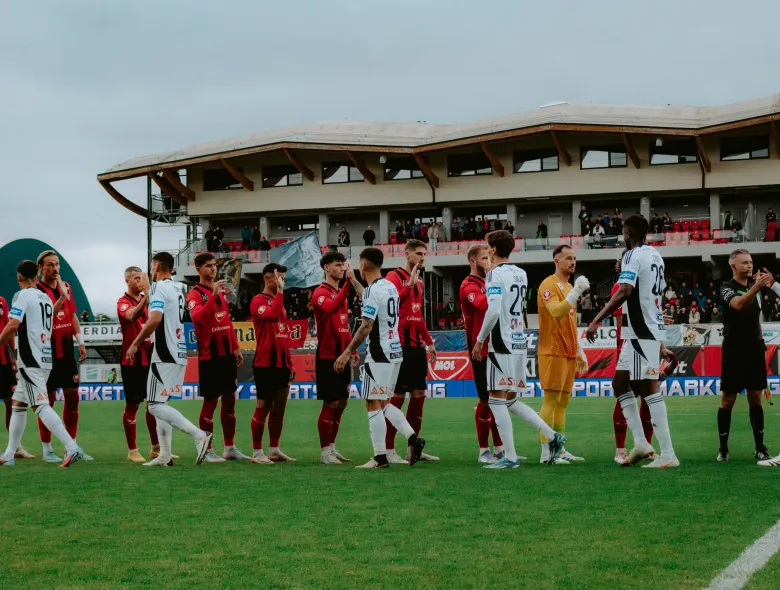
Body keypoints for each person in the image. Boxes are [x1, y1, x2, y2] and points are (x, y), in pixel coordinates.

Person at [586, 215, 679, 468]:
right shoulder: (656, 255)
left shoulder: (631, 255)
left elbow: (625, 291)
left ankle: (668, 454)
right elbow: (653, 293)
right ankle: (640, 442)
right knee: (619, 383)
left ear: (627, 234)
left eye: (623, 233)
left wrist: (596, 320)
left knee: (649, 389)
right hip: (641, 331)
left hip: (641, 330)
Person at [472, 230, 566, 469]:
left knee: (495, 399)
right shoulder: (521, 273)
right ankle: (553, 436)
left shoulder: (494, 274)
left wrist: (480, 339)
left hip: (502, 343)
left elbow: (493, 311)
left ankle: (510, 457)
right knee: (510, 400)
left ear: (492, 250)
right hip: (519, 341)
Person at [333, 247, 426, 469]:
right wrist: (354, 280)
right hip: (395, 352)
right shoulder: (389, 287)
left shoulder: (373, 291)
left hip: (379, 353)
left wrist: (346, 352)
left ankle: (379, 457)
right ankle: (413, 439)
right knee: (384, 402)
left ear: (363, 265)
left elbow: (366, 326)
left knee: (372, 402)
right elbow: (366, 295)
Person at [128, 253, 212, 467]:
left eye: (151, 265)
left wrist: (135, 343)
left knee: (154, 406)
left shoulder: (158, 288)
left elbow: (154, 319)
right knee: (161, 403)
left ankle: (199, 435)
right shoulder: (179, 288)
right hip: (179, 351)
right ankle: (164, 455)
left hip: (164, 352)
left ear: (156, 266)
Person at [0, 260, 85, 468]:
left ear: (19, 277)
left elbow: (13, 324)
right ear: (37, 275)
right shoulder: (45, 297)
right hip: (46, 358)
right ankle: (9, 454)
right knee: (18, 405)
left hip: (31, 359)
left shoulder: (22, 295)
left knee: (40, 406)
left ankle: (72, 447)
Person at [187, 253, 250, 463]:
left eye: (214, 265)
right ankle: (207, 450)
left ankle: (230, 447)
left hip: (226, 355)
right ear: (198, 270)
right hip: (210, 355)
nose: (213, 269)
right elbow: (198, 319)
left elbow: (226, 321)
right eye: (208, 266)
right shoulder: (194, 294)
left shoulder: (219, 291)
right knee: (211, 402)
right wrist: (213, 296)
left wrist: (236, 346)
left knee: (230, 401)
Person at [718, 250, 774, 463]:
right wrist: (756, 287)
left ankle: (760, 448)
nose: (750, 266)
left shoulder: (754, 288)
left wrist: (761, 341)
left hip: (754, 350)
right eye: (745, 263)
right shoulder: (727, 288)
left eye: (751, 262)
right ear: (733, 266)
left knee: (755, 397)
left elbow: (755, 318)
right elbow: (740, 305)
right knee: (728, 399)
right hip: (733, 350)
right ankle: (723, 449)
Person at [536, 245, 590, 464]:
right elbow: (557, 313)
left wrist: (579, 350)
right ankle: (545, 451)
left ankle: (558, 448)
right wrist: (576, 291)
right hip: (552, 350)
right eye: (568, 258)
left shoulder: (569, 285)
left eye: (575, 258)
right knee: (551, 400)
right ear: (556, 261)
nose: (573, 262)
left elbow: (569, 322)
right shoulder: (549, 284)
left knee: (563, 402)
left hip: (567, 351)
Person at [385, 240, 438, 463]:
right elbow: (391, 304)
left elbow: (417, 314)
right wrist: (409, 285)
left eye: (424, 254)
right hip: (400, 345)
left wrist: (429, 341)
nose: (422, 257)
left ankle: (412, 448)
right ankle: (388, 450)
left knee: (419, 397)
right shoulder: (393, 278)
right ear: (407, 254)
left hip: (417, 347)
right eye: (418, 253)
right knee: (397, 397)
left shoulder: (420, 283)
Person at [35, 251, 90, 462]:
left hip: (67, 350)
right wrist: (60, 297)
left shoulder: (66, 286)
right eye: (50, 265)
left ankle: (72, 447)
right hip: (47, 352)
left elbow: (73, 314)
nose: (55, 268)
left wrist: (81, 342)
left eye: (57, 264)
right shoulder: (37, 291)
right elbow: (47, 316)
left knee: (73, 398)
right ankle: (47, 449)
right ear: (41, 268)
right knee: (46, 402)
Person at [312, 251, 364, 464]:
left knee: (342, 402)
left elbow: (343, 325)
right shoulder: (320, 292)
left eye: (343, 264)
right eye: (337, 264)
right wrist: (349, 284)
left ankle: (332, 448)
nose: (342, 268)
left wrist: (353, 348)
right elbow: (331, 308)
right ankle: (325, 452)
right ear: (326, 268)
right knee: (331, 402)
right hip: (327, 354)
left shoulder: (338, 292)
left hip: (343, 352)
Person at [460, 245, 504, 463]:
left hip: (497, 346)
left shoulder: (489, 281)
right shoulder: (468, 285)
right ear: (472, 261)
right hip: (480, 350)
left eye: (490, 258)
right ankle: (483, 450)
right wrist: (492, 278)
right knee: (486, 400)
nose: (488, 262)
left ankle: (500, 448)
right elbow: (482, 304)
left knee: (499, 399)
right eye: (484, 258)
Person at [249, 263, 296, 464]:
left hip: (282, 363)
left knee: (280, 408)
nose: (281, 282)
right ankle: (257, 452)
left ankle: (274, 450)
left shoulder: (278, 300)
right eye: (279, 278)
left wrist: (291, 362)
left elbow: (283, 332)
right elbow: (271, 315)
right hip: (265, 362)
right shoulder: (258, 301)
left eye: (283, 278)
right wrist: (281, 293)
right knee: (263, 406)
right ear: (268, 278)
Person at [610, 253, 654, 464]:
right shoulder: (620, 286)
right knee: (625, 393)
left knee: (647, 396)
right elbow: (621, 324)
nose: (619, 263)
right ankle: (621, 449)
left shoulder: (643, 284)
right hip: (630, 345)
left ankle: (647, 446)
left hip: (645, 342)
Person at [117, 266, 159, 463]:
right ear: (127, 281)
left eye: (142, 277)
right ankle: (132, 450)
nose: (140, 281)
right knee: (133, 405)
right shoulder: (122, 302)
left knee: (154, 405)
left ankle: (156, 448)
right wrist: (147, 296)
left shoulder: (149, 301)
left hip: (149, 358)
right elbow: (132, 316)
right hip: (132, 360)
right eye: (136, 278)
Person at [0, 293, 35, 460]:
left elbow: (9, 327)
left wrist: (13, 355)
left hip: (3, 361)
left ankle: (16, 447)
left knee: (11, 403)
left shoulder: (2, 301)